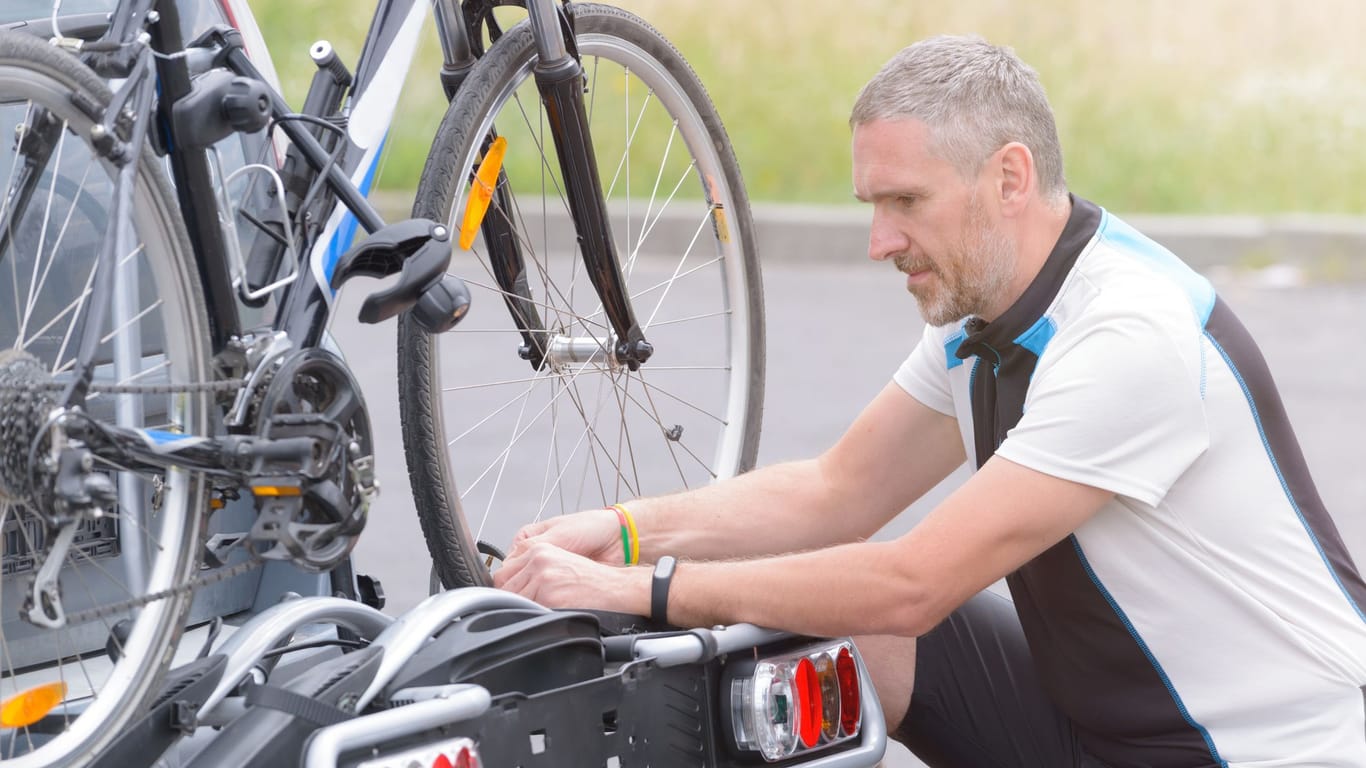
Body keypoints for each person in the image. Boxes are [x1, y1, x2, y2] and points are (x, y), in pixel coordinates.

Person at [493, 35, 1366, 767]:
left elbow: (916, 583)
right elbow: (835, 493)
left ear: (1010, 179)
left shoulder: (1130, 336)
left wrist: (648, 587)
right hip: (1107, 731)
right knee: (815, 618)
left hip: (1261, 752)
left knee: (858, 601)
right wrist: (623, 529)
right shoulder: (989, 307)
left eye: (906, 202)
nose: (880, 241)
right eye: (873, 205)